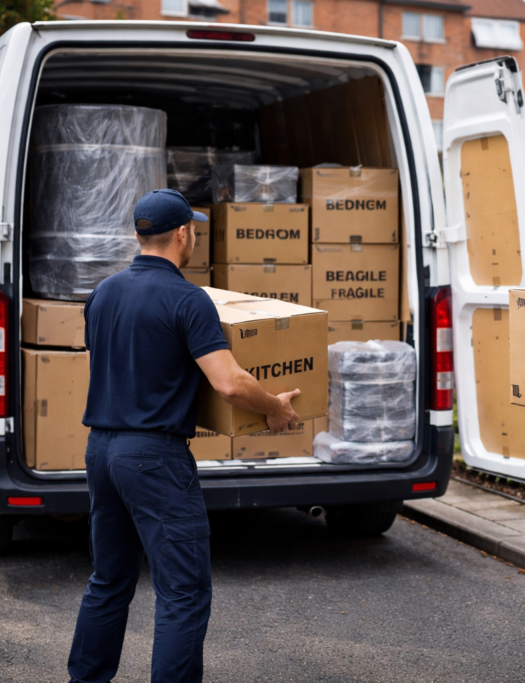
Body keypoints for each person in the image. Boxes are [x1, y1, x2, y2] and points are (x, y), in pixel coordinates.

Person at [68, 189, 301, 683]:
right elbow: (229, 383)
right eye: (192, 229)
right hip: (154, 457)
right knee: (183, 591)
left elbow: (105, 365)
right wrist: (275, 408)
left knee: (109, 580)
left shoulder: (103, 292)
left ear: (140, 234)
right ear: (182, 234)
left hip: (102, 450)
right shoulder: (188, 299)